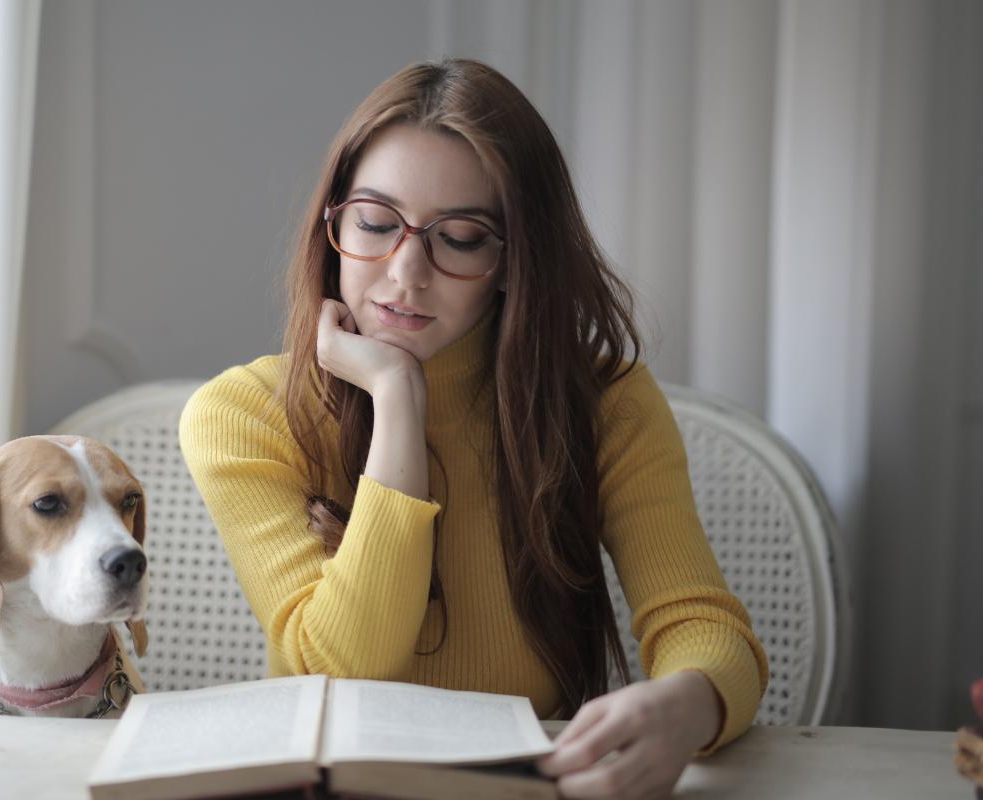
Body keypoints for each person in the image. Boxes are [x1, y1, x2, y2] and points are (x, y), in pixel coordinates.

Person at [180, 58, 767, 799]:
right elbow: (342, 670)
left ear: (514, 260)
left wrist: (690, 703)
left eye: (459, 238)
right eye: (374, 223)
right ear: (333, 225)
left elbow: (701, 622)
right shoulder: (245, 415)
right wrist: (397, 396)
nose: (405, 272)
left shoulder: (603, 402)